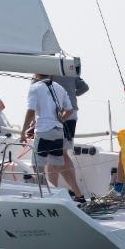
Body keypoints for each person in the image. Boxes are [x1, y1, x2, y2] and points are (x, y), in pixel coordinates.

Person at [21, 73, 85, 202]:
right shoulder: (59, 87)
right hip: (58, 132)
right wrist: (60, 120)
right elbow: (70, 109)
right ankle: (78, 195)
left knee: (37, 167)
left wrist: (23, 131)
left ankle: (46, 197)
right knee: (58, 164)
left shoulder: (35, 88)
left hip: (44, 131)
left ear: (37, 74)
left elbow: (31, 111)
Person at [51, 75, 89, 191]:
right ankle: (77, 192)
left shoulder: (45, 67)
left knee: (52, 154)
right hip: (72, 114)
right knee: (63, 153)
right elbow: (84, 87)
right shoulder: (68, 67)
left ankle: (52, 192)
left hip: (57, 114)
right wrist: (71, 94)